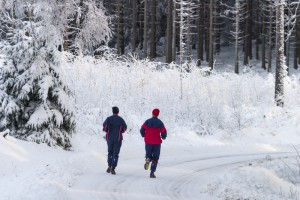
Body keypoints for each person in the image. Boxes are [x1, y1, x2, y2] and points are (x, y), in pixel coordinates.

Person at [140, 108, 167, 178]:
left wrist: (143, 135)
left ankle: (148, 159)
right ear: (158, 114)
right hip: (157, 142)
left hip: (148, 141)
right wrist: (163, 137)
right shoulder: (160, 123)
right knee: (156, 157)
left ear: (152, 113)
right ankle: (152, 172)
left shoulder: (147, 121)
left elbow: (142, 129)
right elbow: (164, 132)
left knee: (148, 153)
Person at [103, 106, 127, 175]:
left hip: (109, 138)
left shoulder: (108, 119)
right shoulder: (121, 120)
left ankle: (109, 165)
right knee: (115, 154)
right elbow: (124, 128)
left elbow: (104, 128)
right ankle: (113, 167)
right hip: (118, 139)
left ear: (112, 111)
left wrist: (108, 130)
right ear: (118, 112)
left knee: (110, 152)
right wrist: (120, 131)